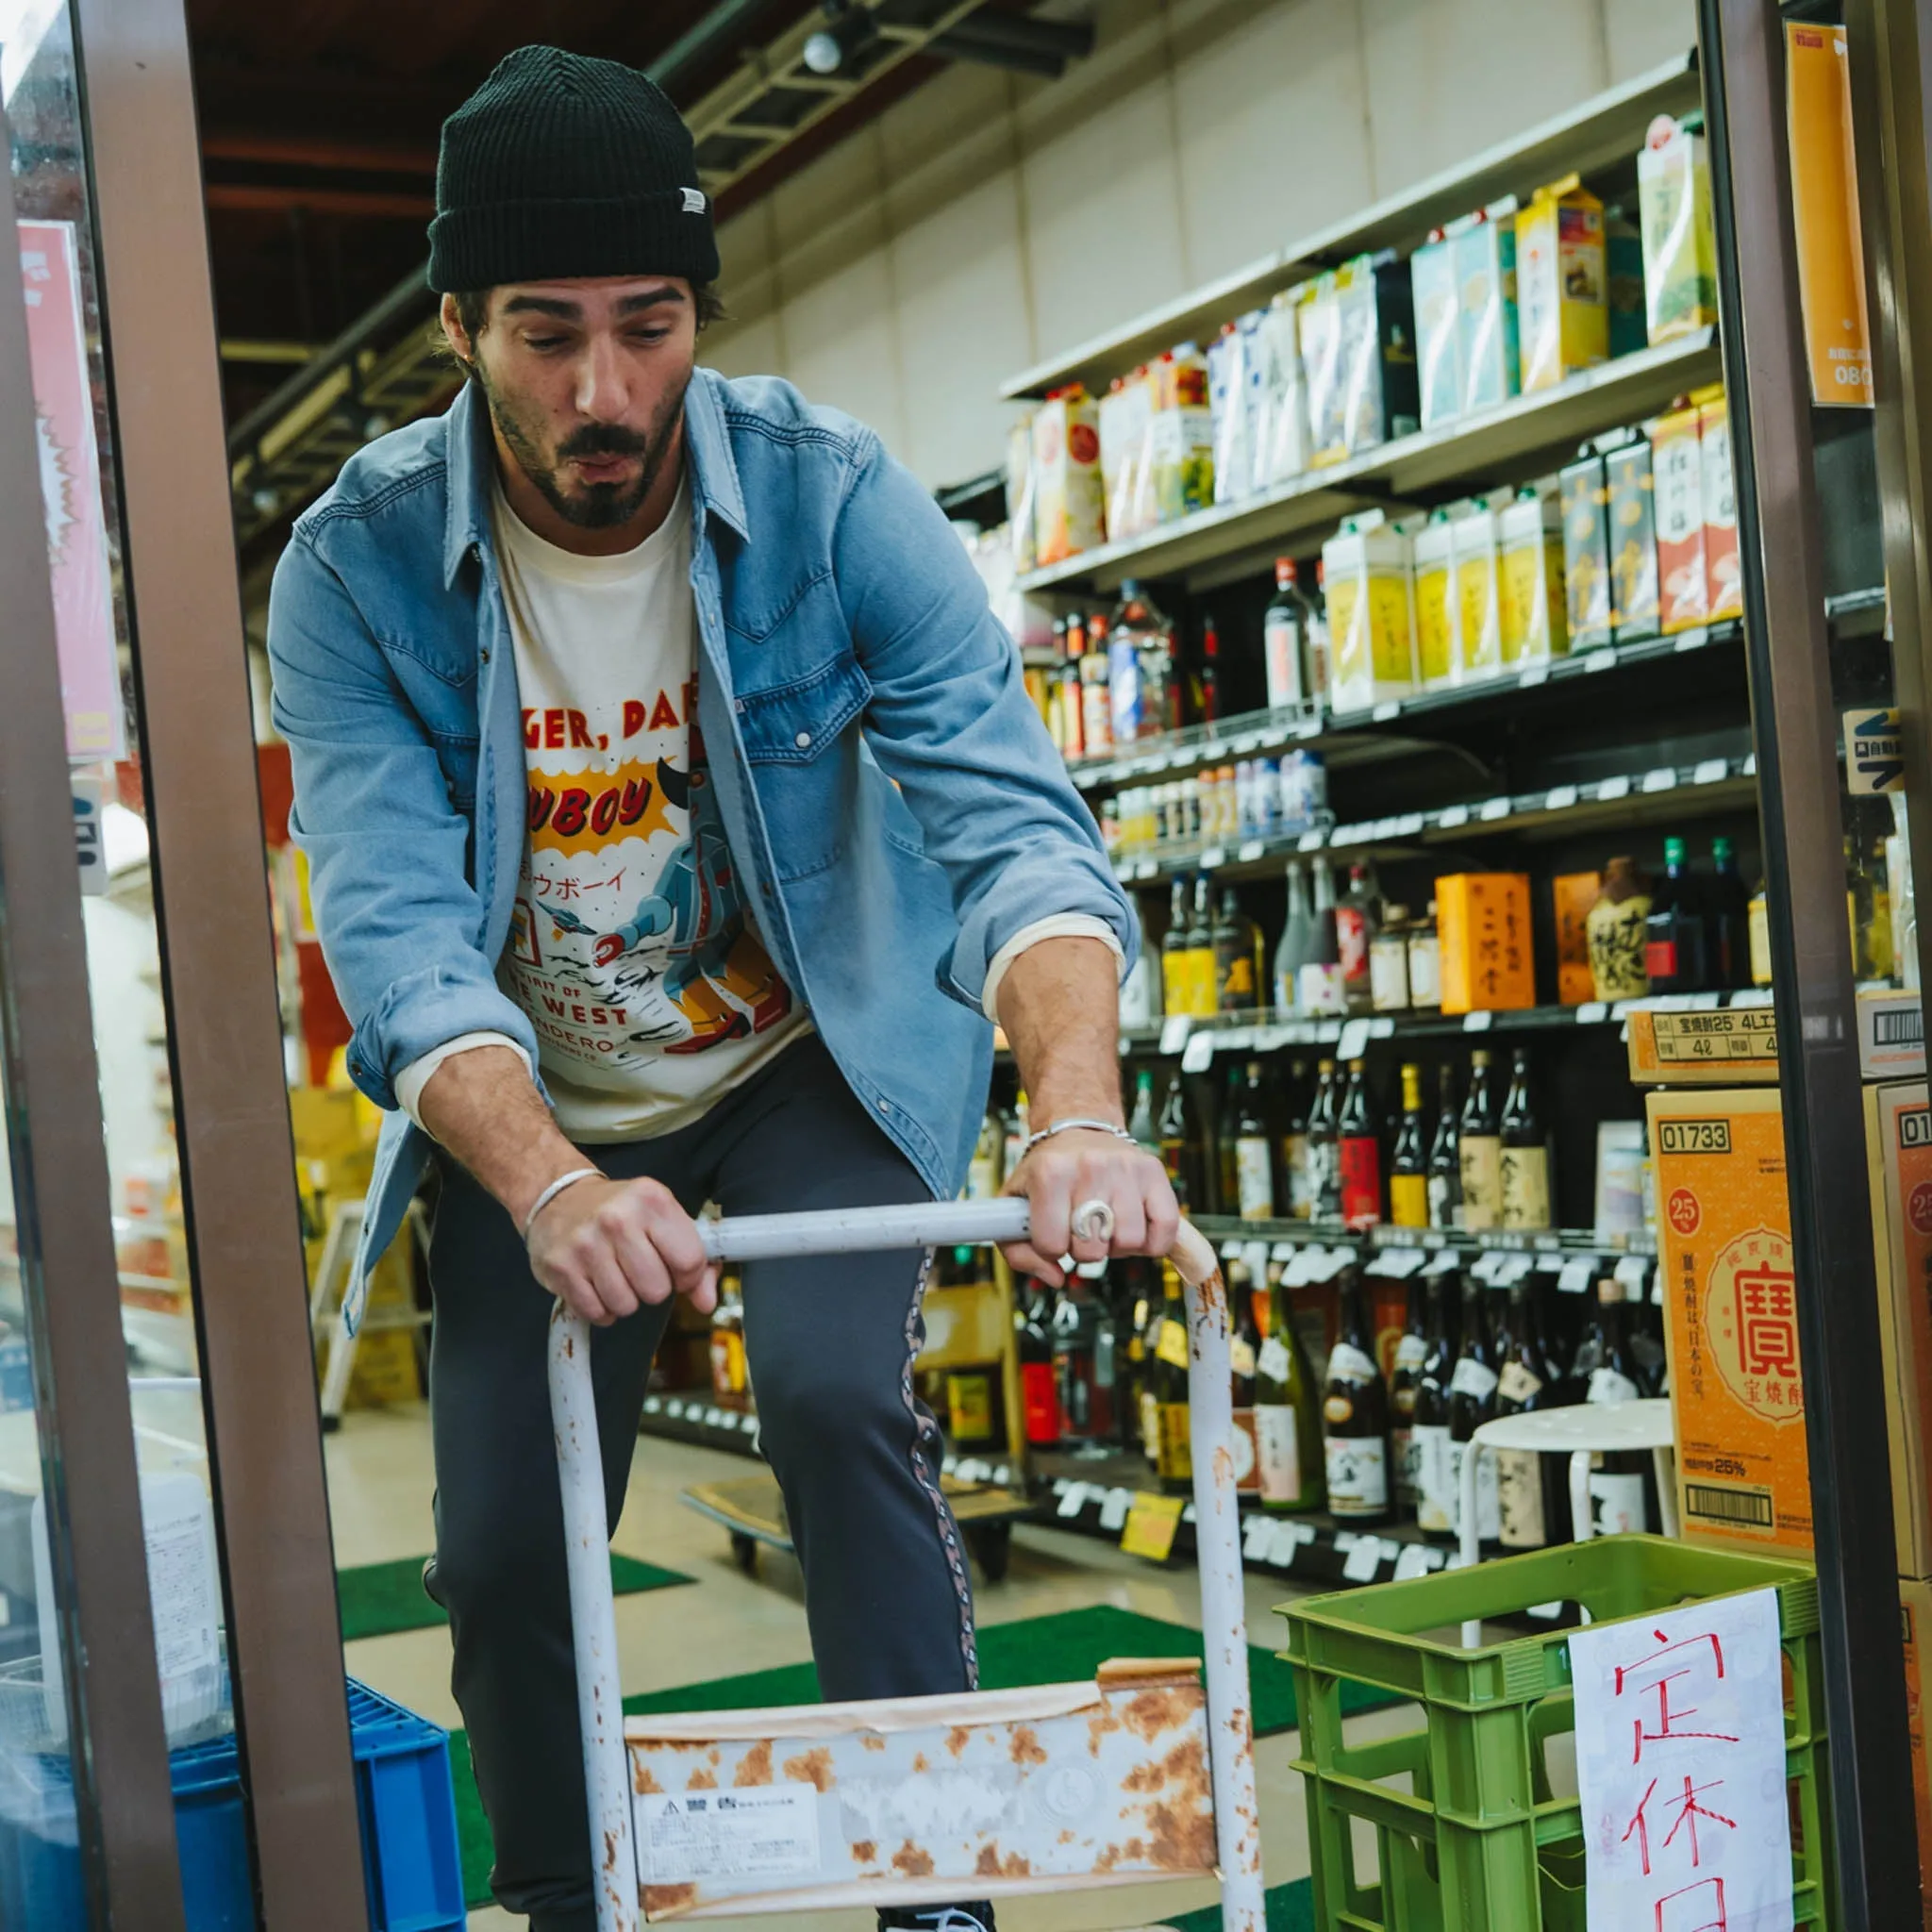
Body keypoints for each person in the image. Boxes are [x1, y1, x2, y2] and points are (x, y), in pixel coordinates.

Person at [268, 43, 1175, 1932]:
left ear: (699, 309)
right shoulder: (355, 566)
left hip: (799, 1062)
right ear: (455, 323)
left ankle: (934, 1892)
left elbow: (1019, 835)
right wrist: (553, 1184)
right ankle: (556, 1899)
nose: (604, 392)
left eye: (647, 325)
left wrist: (1073, 1105)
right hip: (532, 1107)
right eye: (542, 335)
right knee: (506, 1546)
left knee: (844, 1404)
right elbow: (395, 937)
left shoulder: (839, 502)